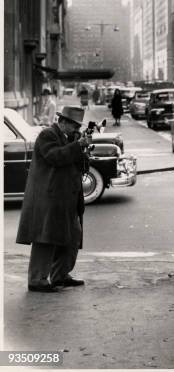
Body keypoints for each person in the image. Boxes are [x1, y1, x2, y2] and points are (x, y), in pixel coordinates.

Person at [16, 106, 92, 292]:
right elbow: (55, 157)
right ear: (63, 122)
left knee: (72, 235)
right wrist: (77, 145)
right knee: (45, 238)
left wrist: (83, 149)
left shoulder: (69, 138)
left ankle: (60, 275)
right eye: (74, 125)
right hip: (49, 197)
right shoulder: (47, 135)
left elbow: (80, 165)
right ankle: (37, 280)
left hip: (66, 197)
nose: (77, 129)